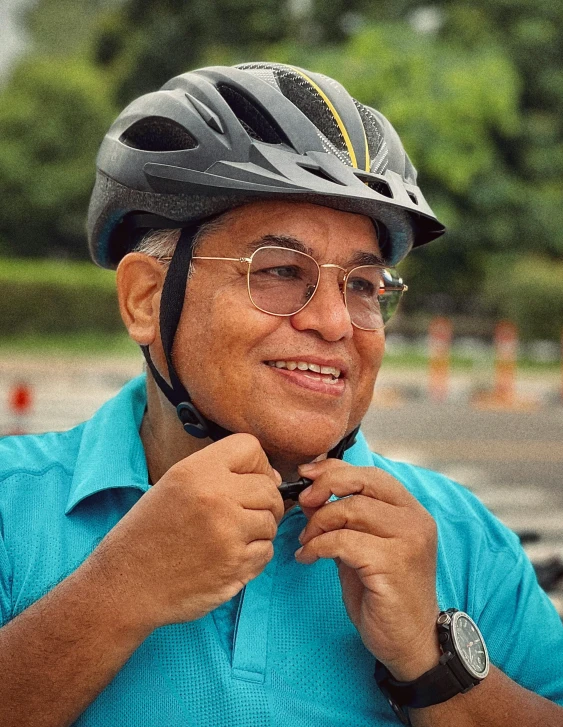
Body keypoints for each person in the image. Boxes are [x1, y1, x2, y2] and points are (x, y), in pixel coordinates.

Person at [0, 62, 562, 727]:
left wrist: (429, 660)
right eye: (277, 271)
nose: (332, 321)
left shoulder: (459, 539)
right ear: (146, 298)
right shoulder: (13, 509)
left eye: (362, 285)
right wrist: (116, 591)